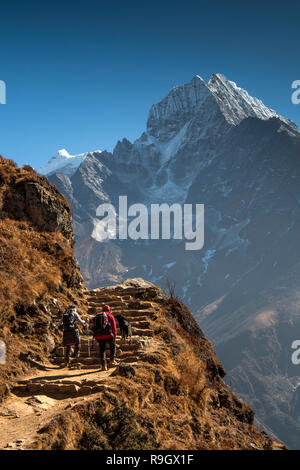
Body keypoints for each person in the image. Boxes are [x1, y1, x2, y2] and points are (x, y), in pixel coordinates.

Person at [92, 305, 117, 371]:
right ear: (109, 310)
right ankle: (112, 360)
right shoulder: (110, 316)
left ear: (102, 310)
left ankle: (103, 366)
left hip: (99, 336)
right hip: (108, 335)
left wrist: (96, 338)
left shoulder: (98, 316)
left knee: (102, 350)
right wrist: (114, 337)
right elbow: (114, 328)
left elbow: (94, 328)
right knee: (113, 346)